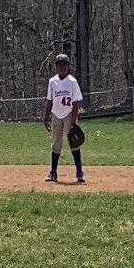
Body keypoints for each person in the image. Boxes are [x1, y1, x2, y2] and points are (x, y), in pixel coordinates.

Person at [43, 54, 84, 184]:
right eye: (59, 65)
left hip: (68, 115)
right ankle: (53, 172)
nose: (62, 67)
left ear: (68, 67)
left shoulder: (72, 82)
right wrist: (46, 117)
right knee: (56, 144)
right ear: (56, 67)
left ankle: (79, 172)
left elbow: (75, 102)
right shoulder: (52, 82)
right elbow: (50, 101)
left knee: (74, 143)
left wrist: (73, 120)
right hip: (56, 115)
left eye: (64, 65)